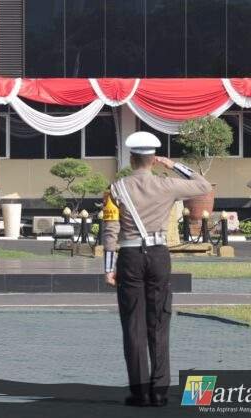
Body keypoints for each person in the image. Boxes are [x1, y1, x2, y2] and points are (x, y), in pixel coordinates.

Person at [102, 131, 211, 407]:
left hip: (129, 256)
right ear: (153, 160)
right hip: (159, 254)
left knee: (133, 324)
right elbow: (203, 185)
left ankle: (139, 393)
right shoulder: (167, 184)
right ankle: (160, 391)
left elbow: (110, 229)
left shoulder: (116, 188)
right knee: (160, 321)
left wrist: (109, 267)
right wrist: (173, 165)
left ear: (131, 159)